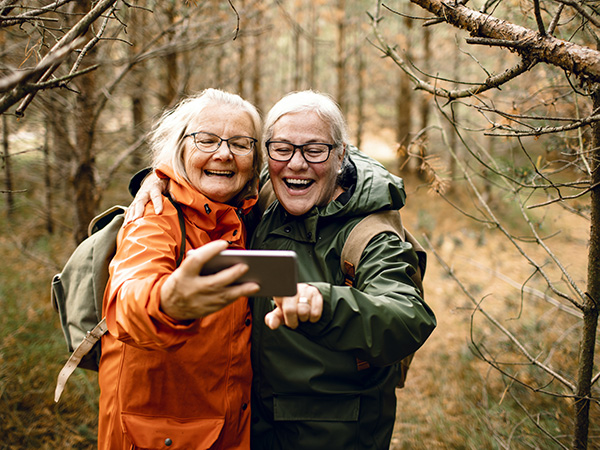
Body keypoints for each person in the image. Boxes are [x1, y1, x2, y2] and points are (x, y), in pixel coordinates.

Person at [130, 90, 437, 449]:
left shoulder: (369, 233)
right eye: (283, 149)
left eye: (314, 150)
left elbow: (408, 317)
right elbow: (206, 171)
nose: (296, 164)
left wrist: (324, 303)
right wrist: (158, 179)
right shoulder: (262, 201)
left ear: (340, 155)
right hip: (252, 427)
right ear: (267, 154)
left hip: (333, 434)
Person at [98, 88, 264, 450]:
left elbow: (323, 154)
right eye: (206, 140)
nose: (223, 153)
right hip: (155, 436)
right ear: (180, 148)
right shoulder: (155, 216)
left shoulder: (251, 214)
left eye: (240, 143)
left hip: (227, 429)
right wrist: (168, 302)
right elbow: (128, 298)